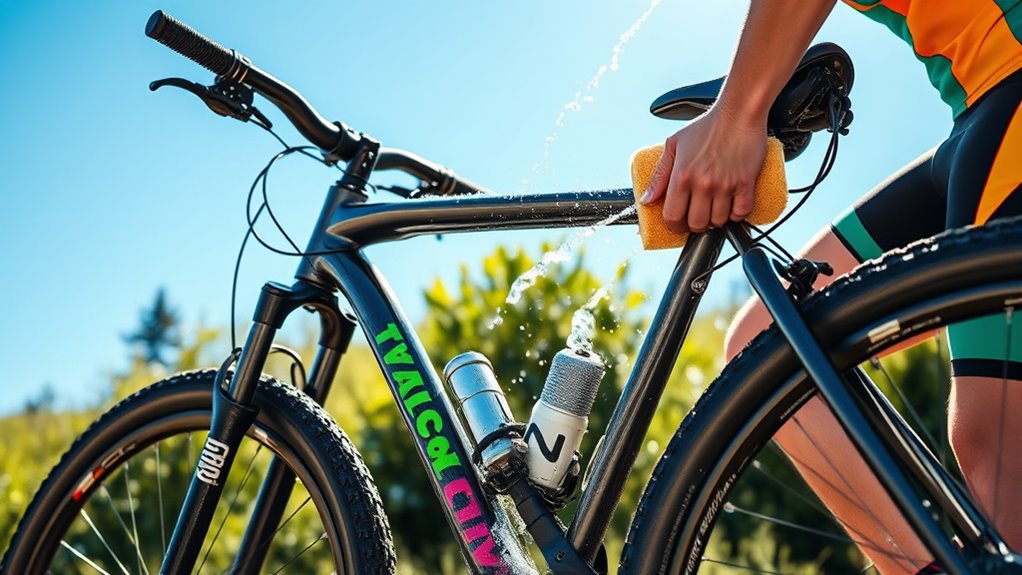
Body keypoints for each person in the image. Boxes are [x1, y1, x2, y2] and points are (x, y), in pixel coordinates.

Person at [641, 1, 1022, 573]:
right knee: (768, 347)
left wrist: (737, 114)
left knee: (997, 446)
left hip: (1010, 83)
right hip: (975, 110)